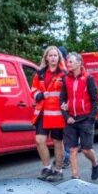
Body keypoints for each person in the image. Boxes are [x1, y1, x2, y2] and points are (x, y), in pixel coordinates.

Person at [60, 52, 98, 180]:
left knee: (86, 150)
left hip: (85, 119)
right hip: (71, 119)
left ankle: (95, 164)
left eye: (71, 61)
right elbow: (61, 100)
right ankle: (75, 177)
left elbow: (95, 100)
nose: (68, 64)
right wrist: (67, 117)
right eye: (67, 62)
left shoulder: (88, 78)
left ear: (79, 63)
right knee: (72, 150)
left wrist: (91, 118)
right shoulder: (66, 79)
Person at [30, 46, 66, 181]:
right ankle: (47, 167)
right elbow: (33, 89)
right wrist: (39, 95)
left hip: (57, 113)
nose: (52, 58)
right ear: (46, 58)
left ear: (59, 58)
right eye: (50, 55)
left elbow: (68, 92)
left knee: (57, 142)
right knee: (39, 141)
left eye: (55, 55)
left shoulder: (64, 74)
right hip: (43, 112)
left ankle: (58, 170)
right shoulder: (40, 73)